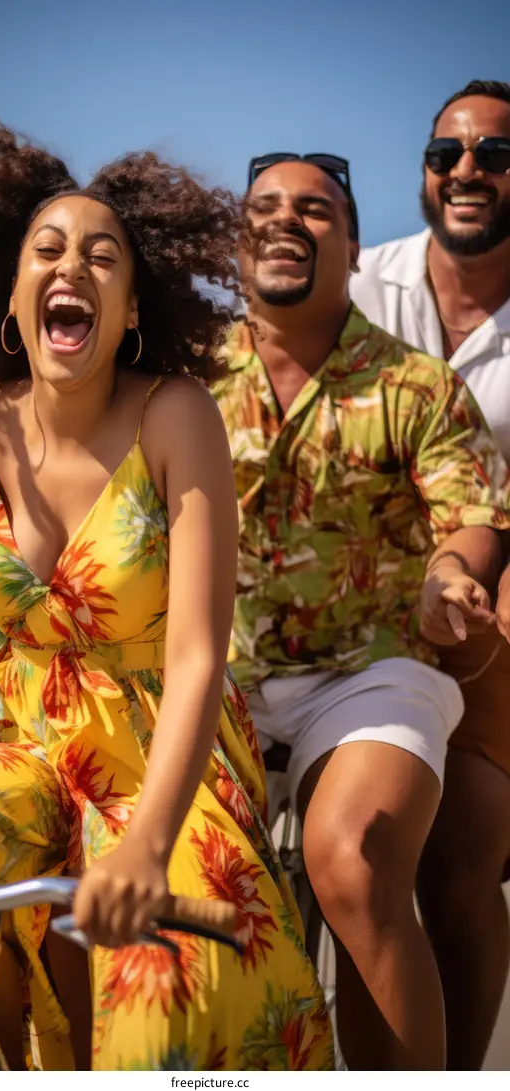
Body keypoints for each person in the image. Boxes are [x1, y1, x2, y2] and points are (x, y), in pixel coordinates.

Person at [0, 112, 333, 1073]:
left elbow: (195, 655)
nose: (73, 267)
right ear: (12, 302)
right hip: (22, 734)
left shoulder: (173, 413)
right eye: (47, 251)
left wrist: (146, 846)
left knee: (160, 976)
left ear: (132, 308)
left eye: (103, 258)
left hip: (158, 754)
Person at [213, 151, 510, 1071]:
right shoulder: (179, 375)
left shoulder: (419, 385)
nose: (286, 221)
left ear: (352, 248)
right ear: (237, 242)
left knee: (355, 857)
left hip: (372, 669)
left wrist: (450, 576)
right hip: (212, 675)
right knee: (183, 893)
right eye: (264, 207)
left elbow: (469, 516)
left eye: (315, 210)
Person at [351, 80, 510, 1070]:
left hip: (494, 587)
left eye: (494, 155)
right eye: (445, 152)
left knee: (461, 851)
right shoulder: (360, 283)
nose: (465, 171)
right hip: (355, 579)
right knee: (354, 851)